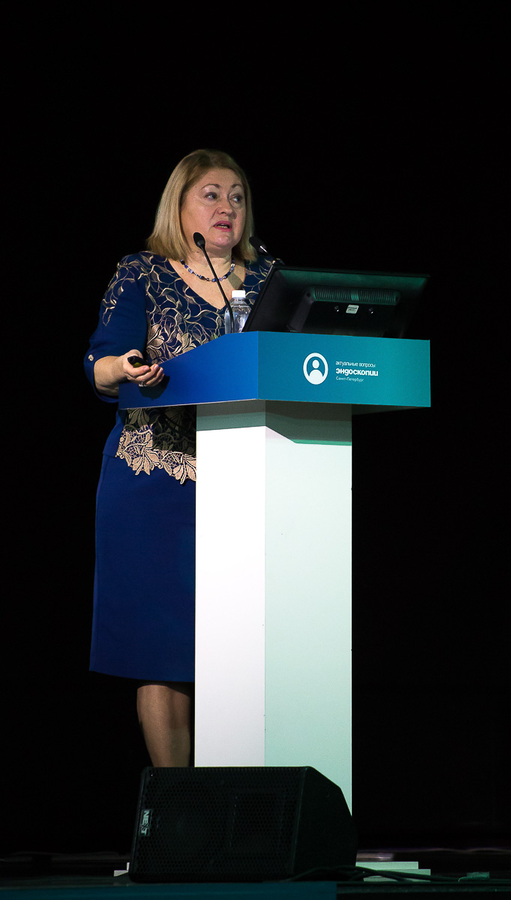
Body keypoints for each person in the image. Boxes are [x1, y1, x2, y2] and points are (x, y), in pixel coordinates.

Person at [84, 149, 272, 766]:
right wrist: (124, 367)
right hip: (154, 484)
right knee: (161, 652)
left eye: (237, 196)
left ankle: (243, 802)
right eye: (211, 194)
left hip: (251, 487)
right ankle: (179, 805)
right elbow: (101, 362)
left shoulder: (271, 279)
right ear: (180, 206)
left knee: (242, 647)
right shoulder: (141, 272)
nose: (227, 207)